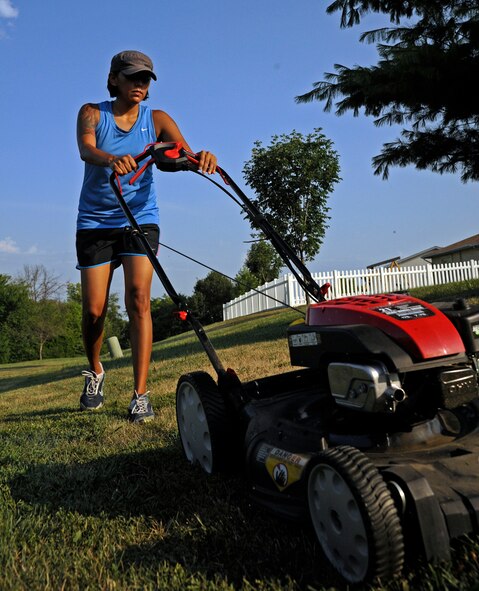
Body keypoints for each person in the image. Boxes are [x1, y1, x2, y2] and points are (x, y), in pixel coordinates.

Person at [76, 50, 217, 422]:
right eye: (133, 77)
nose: (141, 84)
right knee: (93, 310)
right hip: (95, 222)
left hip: (141, 219)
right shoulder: (92, 112)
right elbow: (86, 149)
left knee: (139, 299)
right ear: (114, 79)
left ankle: (140, 394)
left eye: (146, 79)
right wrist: (109, 159)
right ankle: (96, 370)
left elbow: (180, 155)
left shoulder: (157, 120)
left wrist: (201, 157)